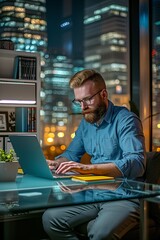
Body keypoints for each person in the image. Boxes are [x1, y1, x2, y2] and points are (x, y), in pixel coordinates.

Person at [42, 69, 146, 240]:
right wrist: (56, 163)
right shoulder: (86, 124)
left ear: (104, 94)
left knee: (99, 234)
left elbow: (137, 163)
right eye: (79, 101)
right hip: (94, 193)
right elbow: (71, 154)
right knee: (50, 219)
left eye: (88, 99)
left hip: (124, 196)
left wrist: (88, 168)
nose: (83, 107)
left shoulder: (126, 119)